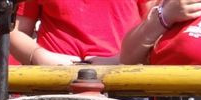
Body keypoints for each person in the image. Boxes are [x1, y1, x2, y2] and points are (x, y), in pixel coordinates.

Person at [10, 1, 147, 66]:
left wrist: (122, 59)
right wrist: (38, 56)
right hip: (54, 82)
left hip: (124, 82)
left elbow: (156, 26)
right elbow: (14, 31)